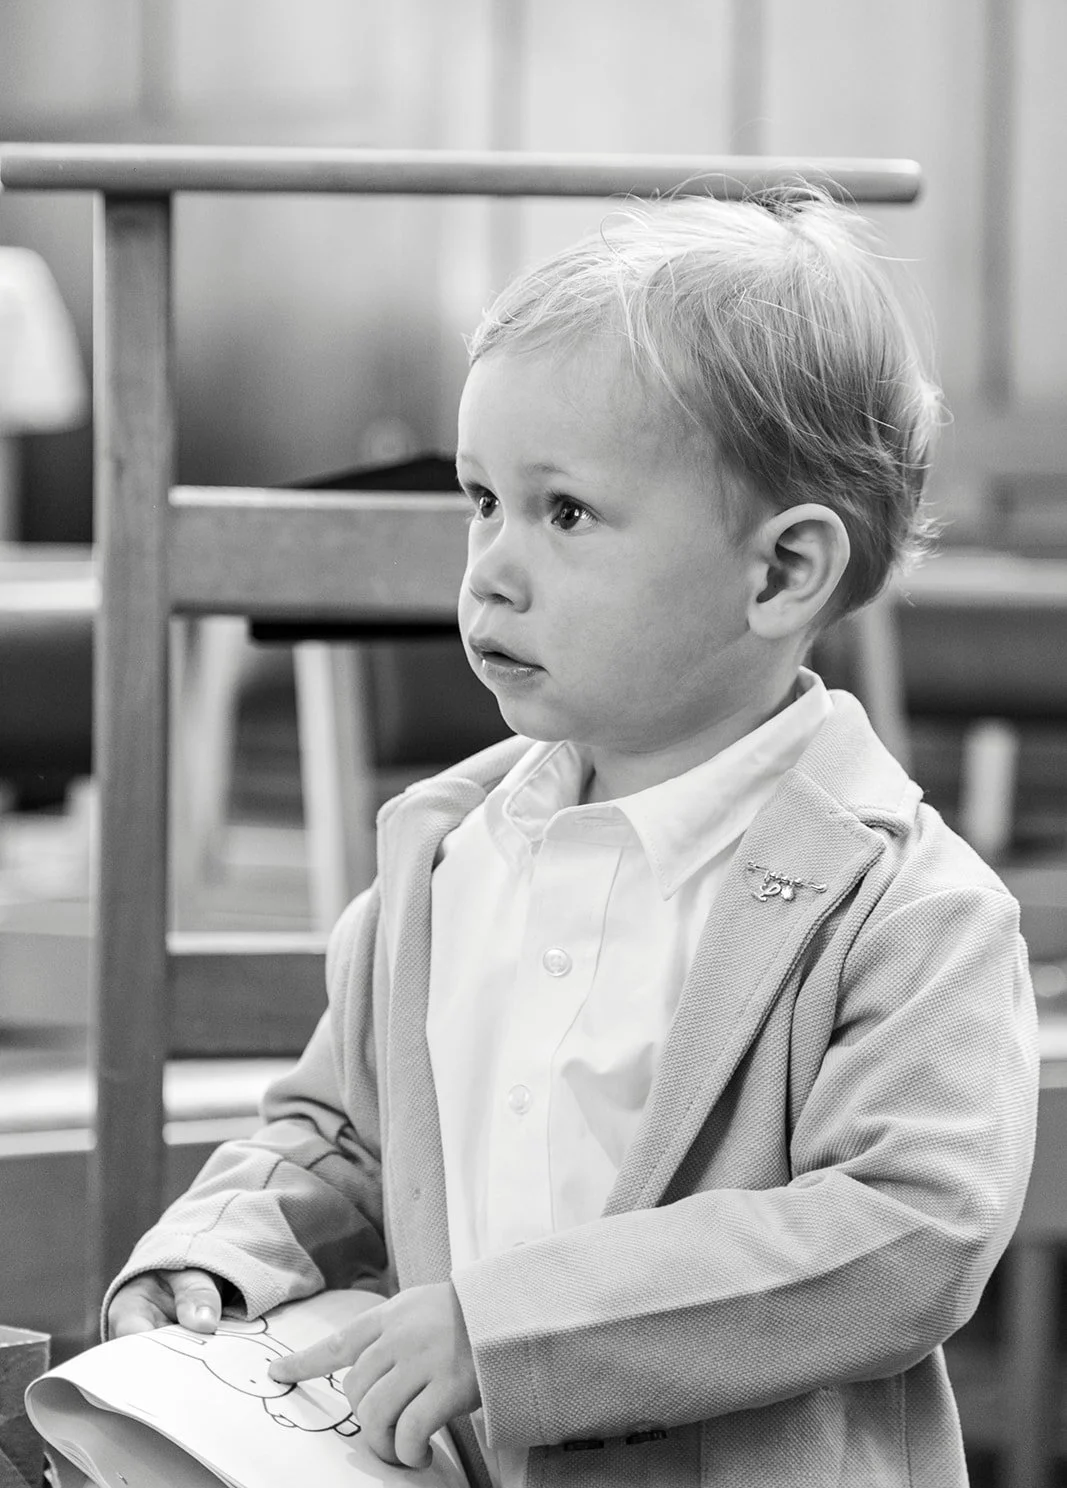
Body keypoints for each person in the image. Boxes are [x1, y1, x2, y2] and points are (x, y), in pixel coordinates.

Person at [106, 187, 1039, 1488]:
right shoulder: (444, 864)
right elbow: (339, 1130)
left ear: (780, 574)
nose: (488, 567)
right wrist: (221, 1249)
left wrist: (514, 1333)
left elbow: (904, 1233)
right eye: (479, 500)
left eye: (564, 515)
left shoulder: (906, 910)